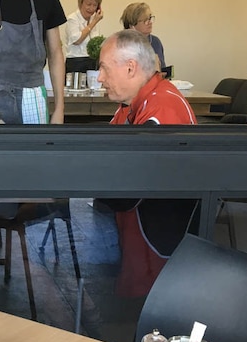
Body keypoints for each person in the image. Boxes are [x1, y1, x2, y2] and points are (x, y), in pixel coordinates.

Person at [97, 29, 197, 304]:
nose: (99, 78)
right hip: (139, 242)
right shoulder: (132, 103)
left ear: (130, 68)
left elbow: (127, 191)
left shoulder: (163, 110)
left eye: (104, 69)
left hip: (159, 251)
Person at [120, 2, 165, 71]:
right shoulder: (121, 45)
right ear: (132, 26)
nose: (150, 22)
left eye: (149, 18)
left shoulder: (156, 42)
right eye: (145, 20)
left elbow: (162, 70)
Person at [64, 0, 104, 73]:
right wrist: (93, 23)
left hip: (92, 62)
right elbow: (77, 40)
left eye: (95, 5)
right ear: (80, 3)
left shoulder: (93, 19)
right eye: (88, 4)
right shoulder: (72, 19)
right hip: (76, 63)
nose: (91, 8)